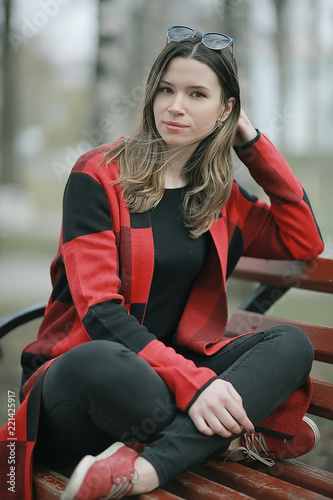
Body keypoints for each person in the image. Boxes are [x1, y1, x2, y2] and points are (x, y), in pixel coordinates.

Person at [0, 26, 324, 500]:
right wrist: (195, 386)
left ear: (225, 110)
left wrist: (251, 141)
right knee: (105, 362)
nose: (176, 106)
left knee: (291, 343)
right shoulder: (99, 174)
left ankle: (151, 467)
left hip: (166, 385)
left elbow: (303, 239)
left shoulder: (220, 198)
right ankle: (231, 438)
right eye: (167, 90)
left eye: (197, 94)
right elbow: (100, 312)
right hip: (88, 383)